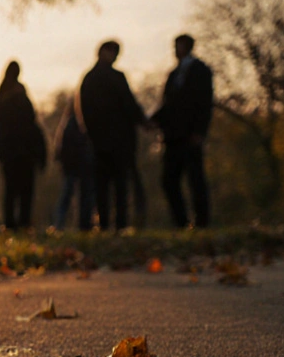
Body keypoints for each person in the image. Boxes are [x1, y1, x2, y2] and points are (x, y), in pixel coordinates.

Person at [77, 41, 148, 231]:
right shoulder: (115, 77)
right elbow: (129, 104)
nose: (115, 56)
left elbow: (83, 110)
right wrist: (144, 122)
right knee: (118, 184)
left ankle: (106, 223)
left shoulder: (89, 78)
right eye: (113, 52)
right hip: (118, 140)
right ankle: (119, 223)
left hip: (100, 141)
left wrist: (91, 134)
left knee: (104, 185)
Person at [152, 34, 215, 228]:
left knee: (196, 180)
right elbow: (167, 104)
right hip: (172, 136)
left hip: (190, 135)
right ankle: (181, 222)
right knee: (169, 181)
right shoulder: (174, 74)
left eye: (178, 46)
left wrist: (200, 131)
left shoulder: (200, 70)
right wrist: (152, 121)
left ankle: (202, 222)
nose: (175, 50)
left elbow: (205, 103)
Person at [0, 61, 47, 230]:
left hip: (10, 152)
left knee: (11, 190)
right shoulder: (20, 95)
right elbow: (32, 122)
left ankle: (11, 223)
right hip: (24, 152)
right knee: (25, 190)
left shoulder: (0, 97)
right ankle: (23, 222)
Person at [52, 98, 96, 230]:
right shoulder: (79, 124)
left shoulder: (67, 124)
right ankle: (83, 224)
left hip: (71, 167)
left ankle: (60, 224)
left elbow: (61, 149)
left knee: (68, 196)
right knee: (82, 196)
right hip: (79, 166)